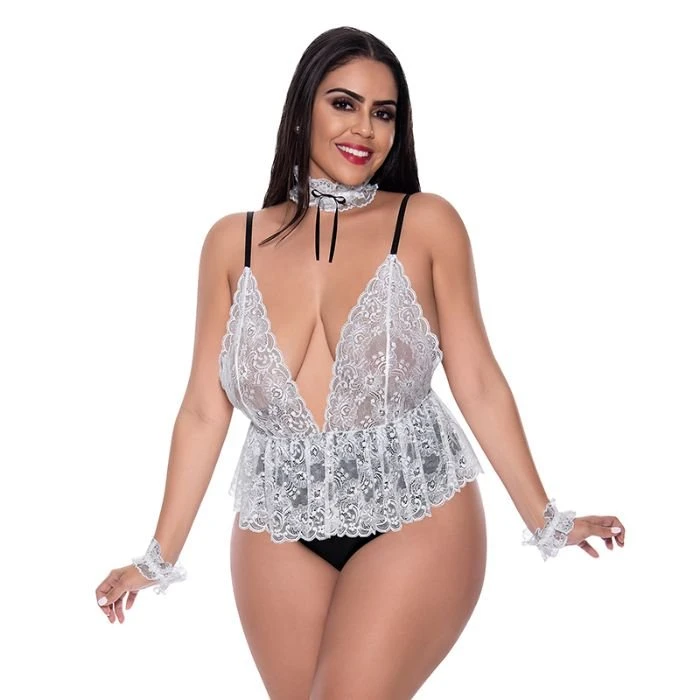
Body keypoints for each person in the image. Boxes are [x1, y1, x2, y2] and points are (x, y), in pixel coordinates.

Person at [95, 26, 626, 699]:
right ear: (303, 109)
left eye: (384, 113)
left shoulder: (426, 223)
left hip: (417, 506)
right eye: (344, 104)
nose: (365, 129)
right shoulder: (233, 243)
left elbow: (478, 380)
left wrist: (546, 518)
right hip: (276, 522)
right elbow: (204, 408)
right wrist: (157, 557)